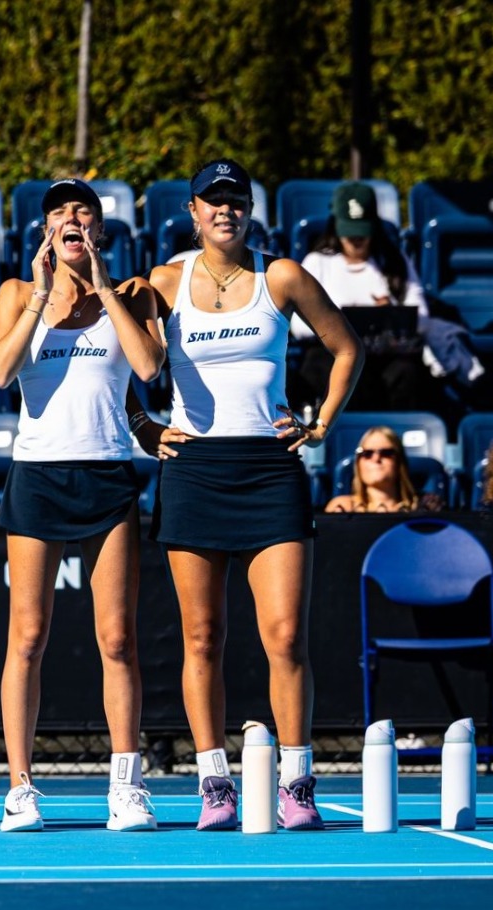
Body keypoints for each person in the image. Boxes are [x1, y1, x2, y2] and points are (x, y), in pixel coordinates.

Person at [144, 159, 363, 832]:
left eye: (235, 200)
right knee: (202, 637)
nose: (225, 210)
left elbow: (347, 349)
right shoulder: (163, 281)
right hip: (193, 470)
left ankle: (296, 781)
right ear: (192, 211)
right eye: (213, 200)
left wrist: (319, 425)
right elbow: (121, 357)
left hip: (270, 471)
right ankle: (214, 782)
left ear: (249, 209)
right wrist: (142, 427)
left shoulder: (283, 275)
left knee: (286, 636)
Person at [0, 179, 166, 832]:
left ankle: (127, 785)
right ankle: (20, 787)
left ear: (100, 228)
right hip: (38, 474)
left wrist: (105, 286)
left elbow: (148, 367)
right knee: (28, 636)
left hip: (107, 472)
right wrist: (40, 295)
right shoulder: (16, 292)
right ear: (44, 231)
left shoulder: (134, 292)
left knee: (117, 638)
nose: (71, 217)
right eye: (59, 211)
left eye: (82, 210)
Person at [287, 182, 448, 419]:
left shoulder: (393, 262)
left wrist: (389, 315)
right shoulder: (317, 263)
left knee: (407, 372)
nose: (356, 239)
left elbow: (420, 318)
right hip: (333, 354)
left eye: (362, 232)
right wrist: (340, 322)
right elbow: (299, 326)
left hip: (385, 355)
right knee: (326, 366)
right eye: (349, 232)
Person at [322, 425, 443, 513]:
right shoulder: (343, 507)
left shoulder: (424, 505)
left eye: (386, 453)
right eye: (367, 454)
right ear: (358, 463)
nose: (376, 458)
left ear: (399, 461)